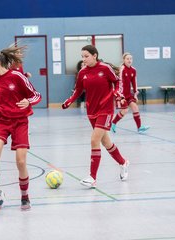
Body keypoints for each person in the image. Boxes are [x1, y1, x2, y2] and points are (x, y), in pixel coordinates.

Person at [0, 45, 41, 210]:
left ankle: (25, 196)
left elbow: (36, 95)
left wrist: (29, 101)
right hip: (1, 122)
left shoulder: (16, 76)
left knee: (21, 161)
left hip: (20, 122)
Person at [62, 45, 129, 188]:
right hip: (91, 111)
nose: (83, 59)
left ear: (95, 55)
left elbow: (117, 82)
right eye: (82, 56)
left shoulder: (105, 68)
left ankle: (92, 178)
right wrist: (69, 100)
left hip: (105, 109)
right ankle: (123, 162)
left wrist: (117, 92)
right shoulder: (82, 73)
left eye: (86, 56)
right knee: (106, 143)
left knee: (94, 140)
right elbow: (78, 90)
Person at [111, 53, 150, 133]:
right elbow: (119, 82)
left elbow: (134, 82)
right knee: (125, 110)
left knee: (135, 107)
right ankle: (113, 123)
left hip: (128, 94)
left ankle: (139, 128)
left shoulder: (133, 70)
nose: (129, 60)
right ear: (124, 60)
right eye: (127, 59)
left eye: (130, 59)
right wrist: (120, 95)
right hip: (120, 94)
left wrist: (135, 94)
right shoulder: (121, 69)